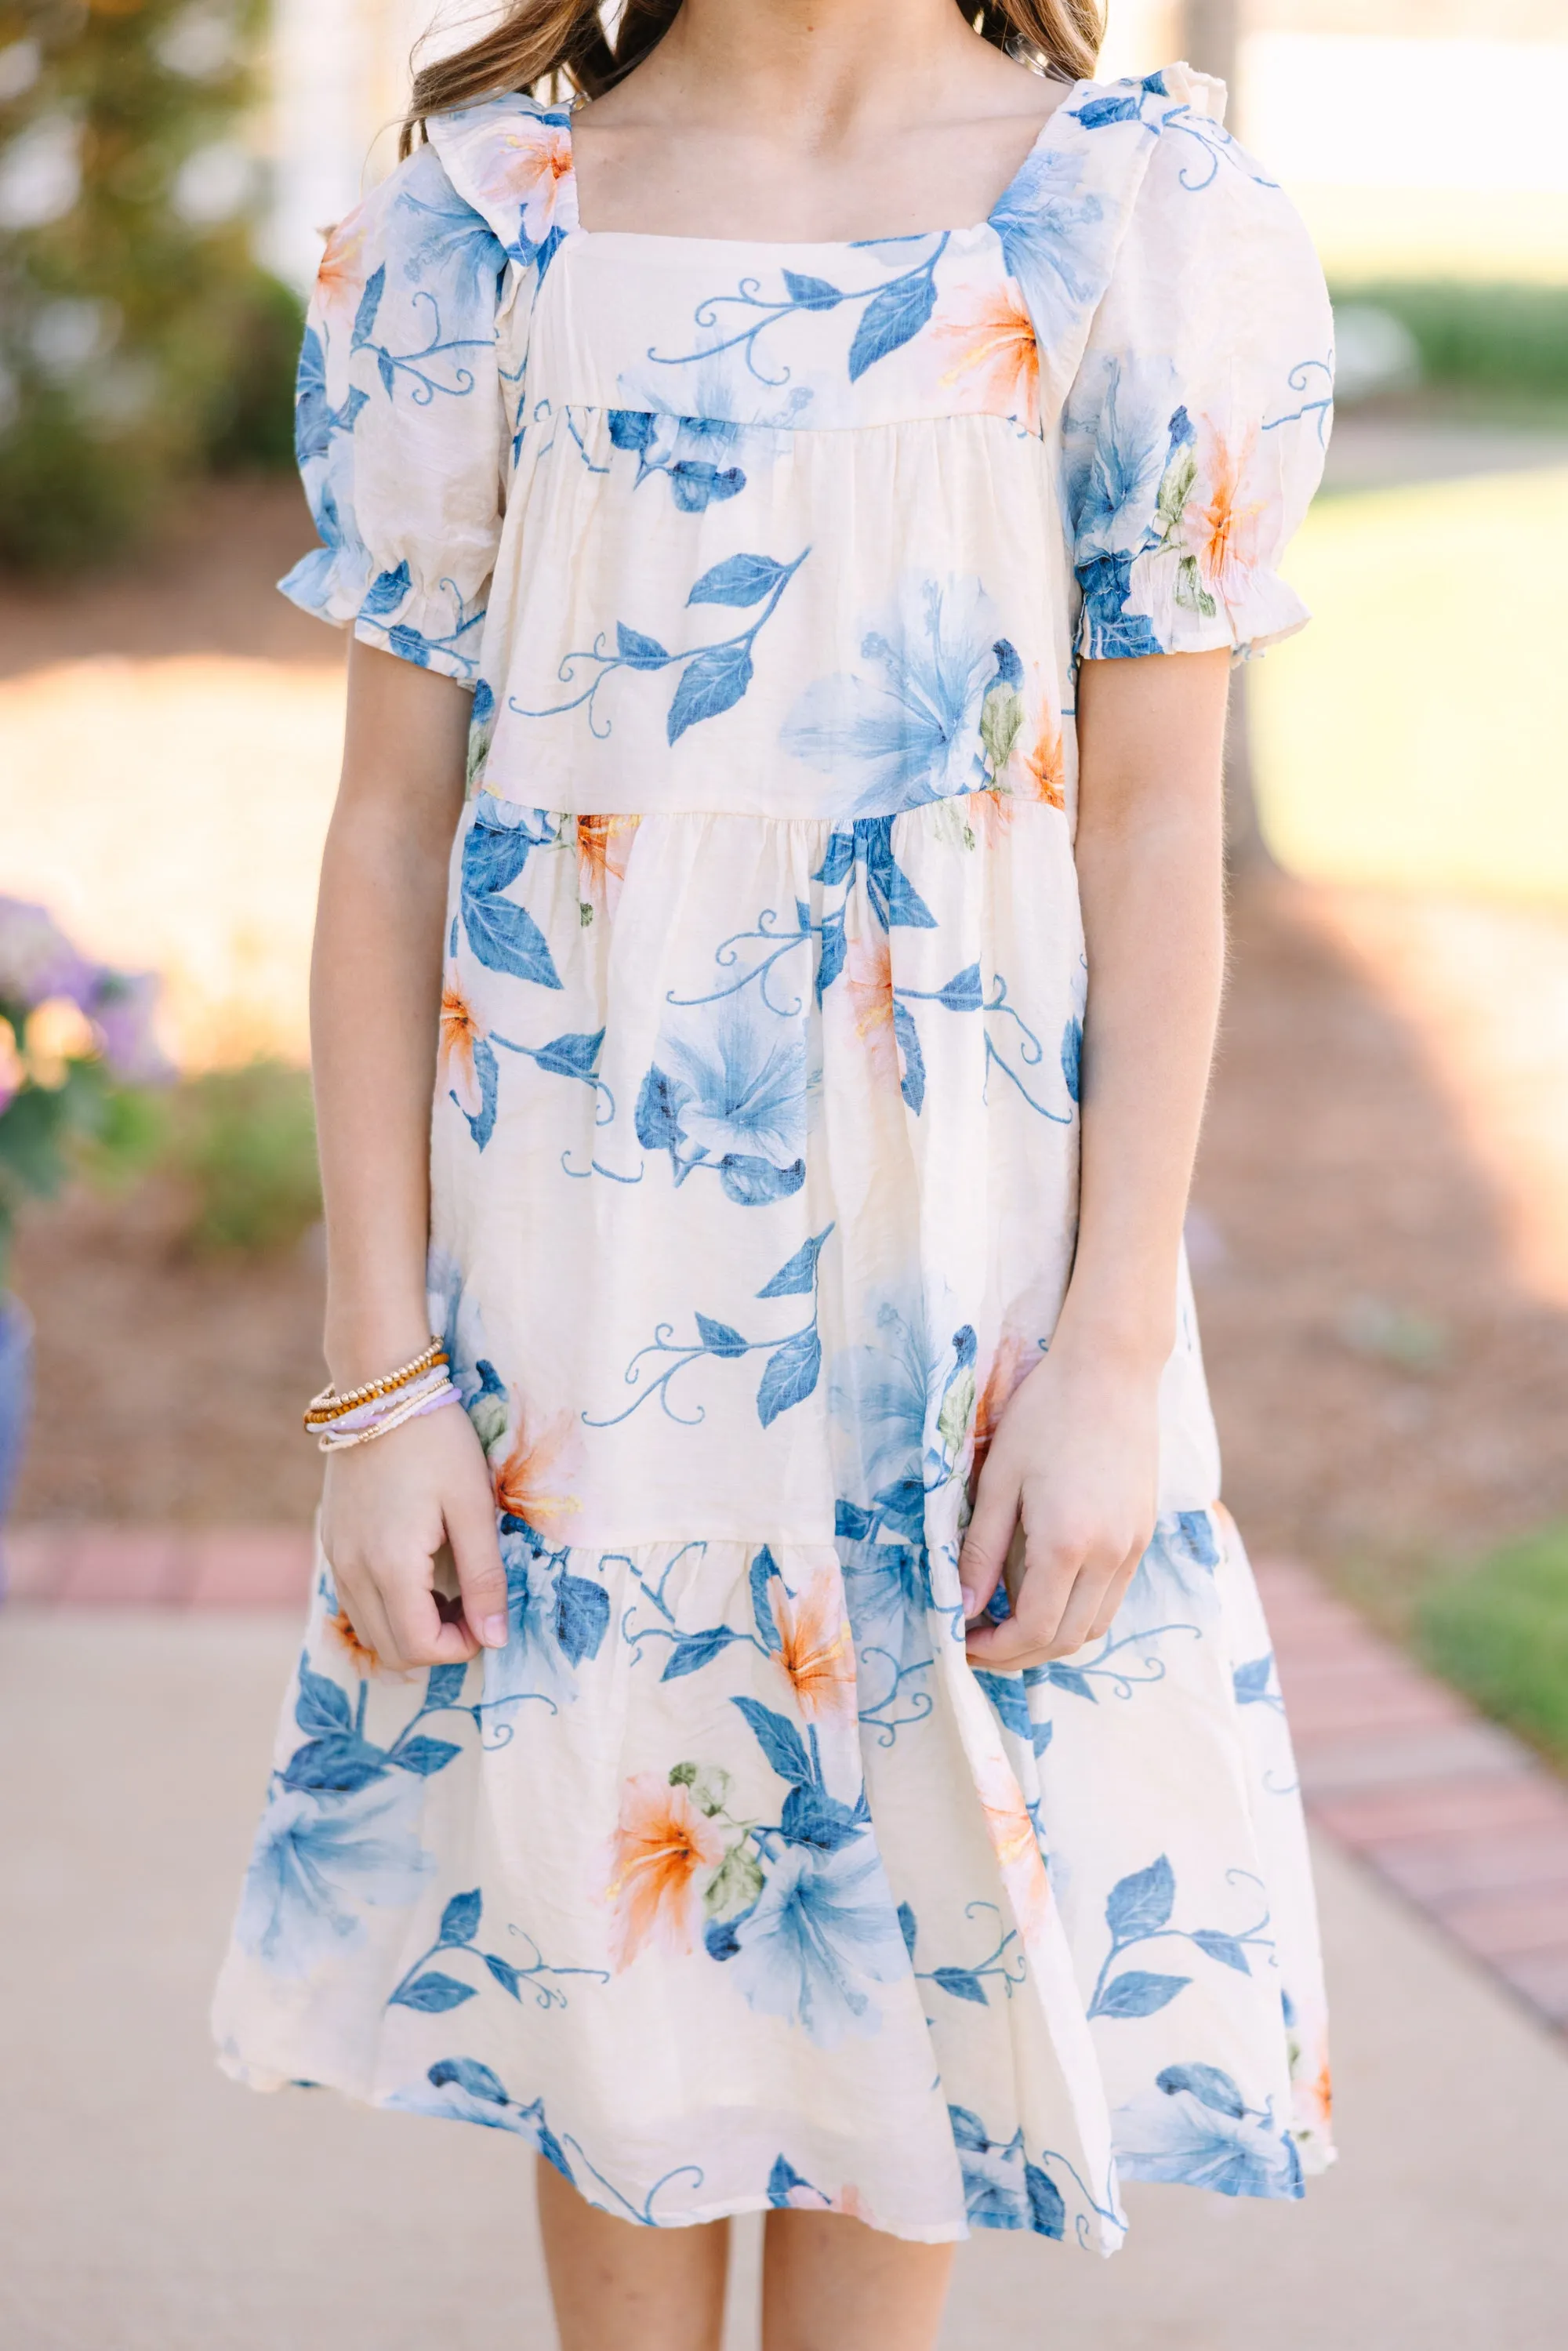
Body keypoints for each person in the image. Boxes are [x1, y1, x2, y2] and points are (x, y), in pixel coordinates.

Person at [212, 3, 1338, 2343]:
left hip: (968, 1292)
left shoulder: (1133, 215)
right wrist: (376, 1379)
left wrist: (1115, 1348)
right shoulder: (494, 229)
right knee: (617, 1971)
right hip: (575, 1290)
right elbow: (387, 831)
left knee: (907, 1941)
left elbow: (1150, 830)